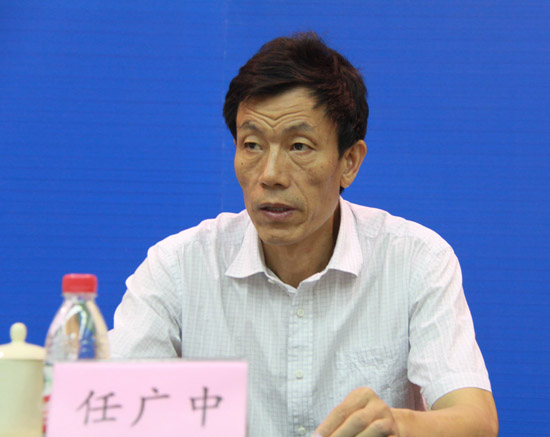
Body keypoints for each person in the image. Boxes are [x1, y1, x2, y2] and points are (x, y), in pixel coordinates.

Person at [109, 32, 498, 436]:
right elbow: (107, 413)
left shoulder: (415, 260)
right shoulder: (178, 268)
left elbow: (477, 421)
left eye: (299, 146)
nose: (271, 175)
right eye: (252, 145)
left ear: (349, 162)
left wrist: (397, 424)